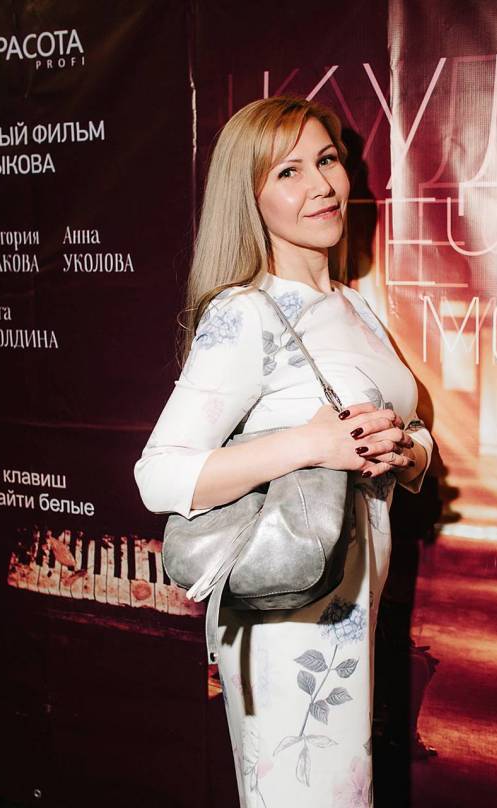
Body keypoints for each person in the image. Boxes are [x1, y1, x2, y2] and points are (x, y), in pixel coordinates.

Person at [133, 95, 434, 808]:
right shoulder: (246, 312)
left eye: (326, 160)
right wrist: (310, 444)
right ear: (251, 197)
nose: (321, 186)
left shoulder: (356, 306)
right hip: (286, 616)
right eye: (288, 172)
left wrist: (405, 452)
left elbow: (413, 433)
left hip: (354, 604)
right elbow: (159, 475)